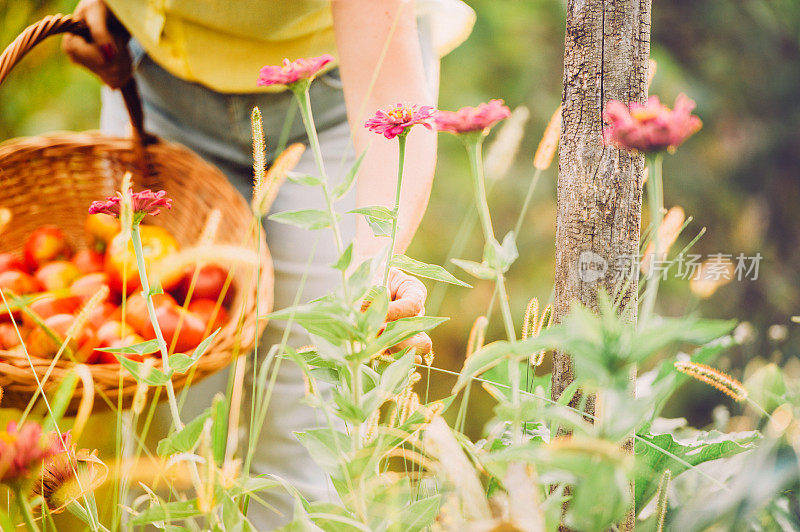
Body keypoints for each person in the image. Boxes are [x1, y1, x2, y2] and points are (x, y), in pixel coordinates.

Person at [62, 0, 475, 527]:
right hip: (157, 91)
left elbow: (386, 98)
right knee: (173, 420)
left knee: (305, 405)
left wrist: (374, 267)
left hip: (331, 103)